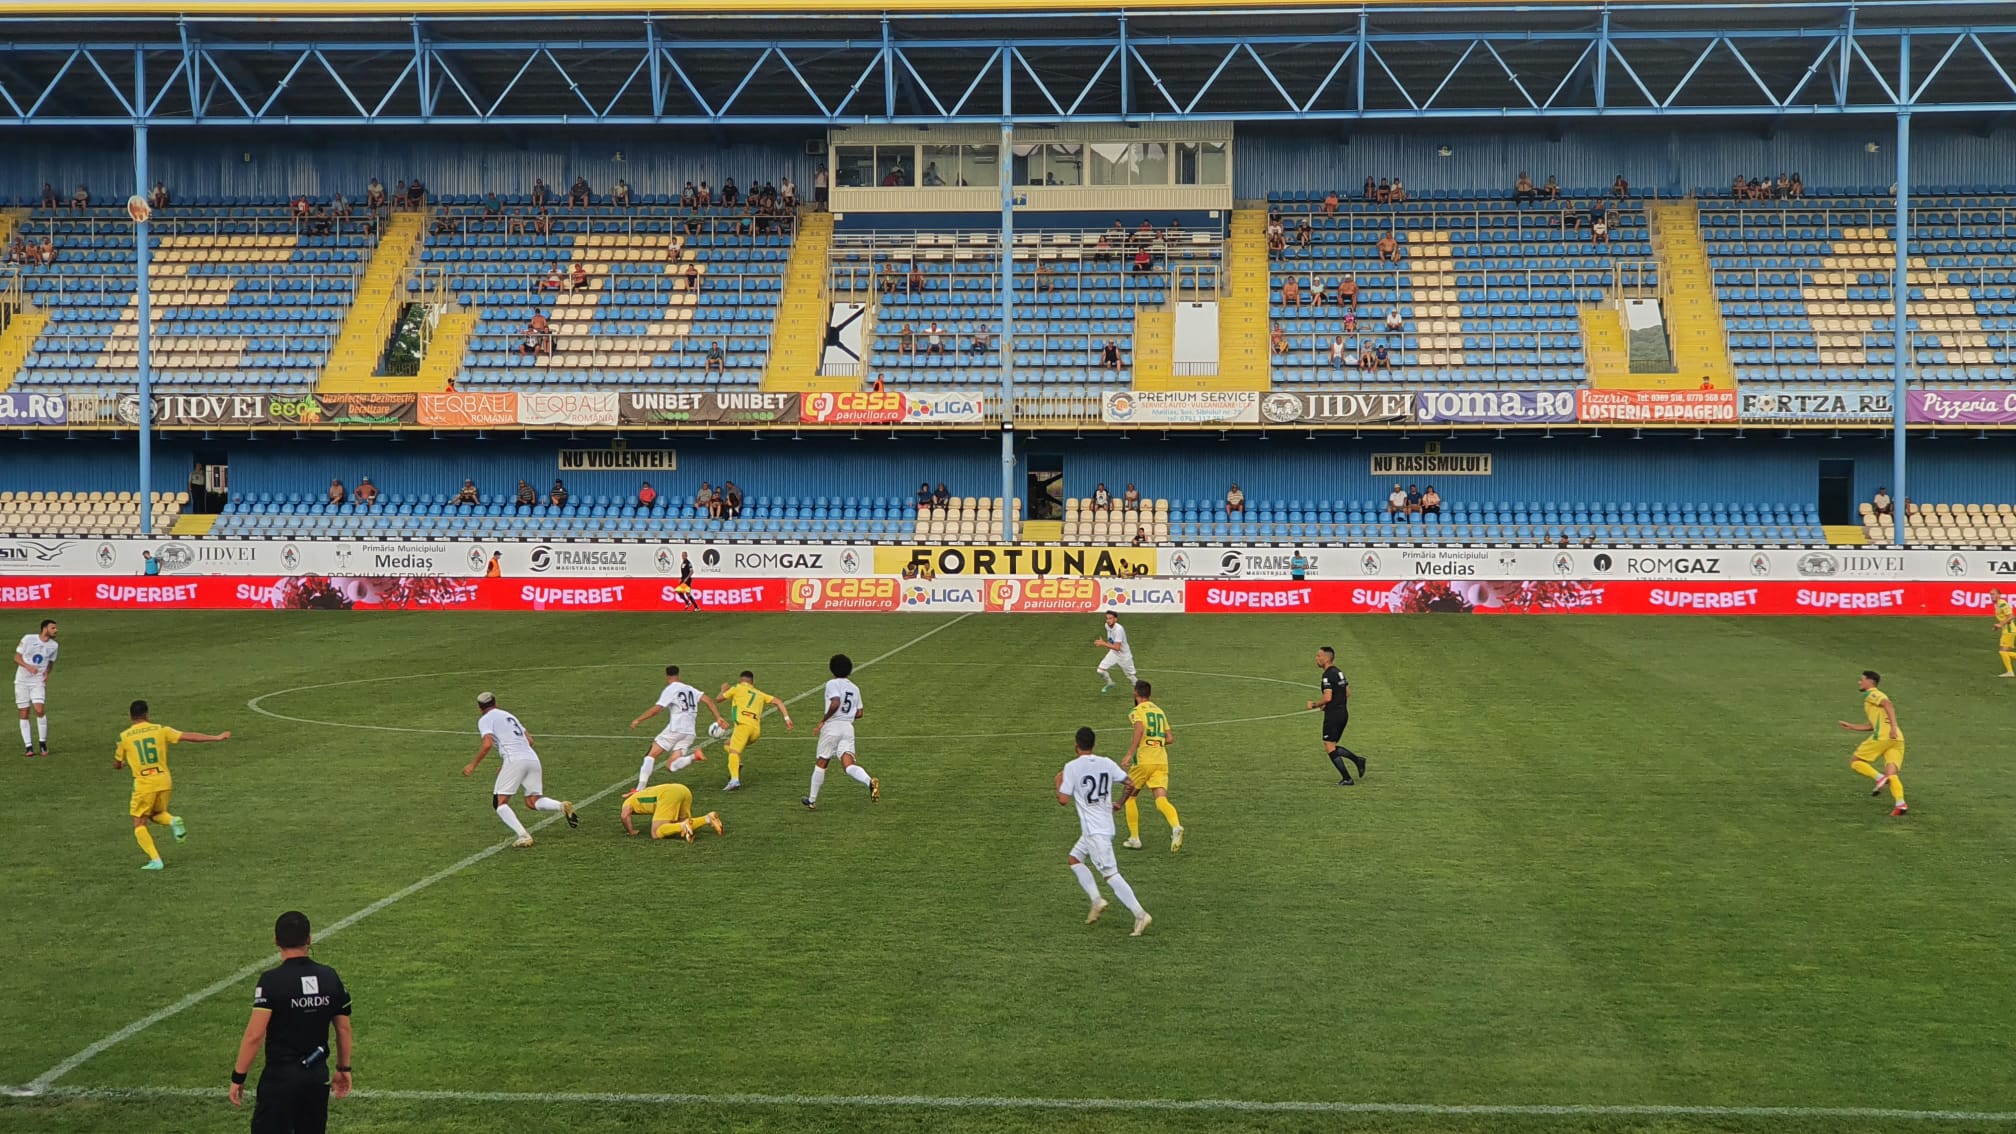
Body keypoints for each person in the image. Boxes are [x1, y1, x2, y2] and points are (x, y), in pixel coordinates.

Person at [230, 911, 354, 1130]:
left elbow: (254, 1035)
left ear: (276, 940)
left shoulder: (271, 981)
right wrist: (344, 1068)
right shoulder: (330, 976)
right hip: (316, 1076)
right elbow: (343, 1029)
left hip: (280, 1078)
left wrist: (238, 1076)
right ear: (309, 939)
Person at [1056, 727, 1152, 936]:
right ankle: (1096, 900)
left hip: (1095, 832)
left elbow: (1063, 800)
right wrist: (1119, 803)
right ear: (1093, 744)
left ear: (1076, 745)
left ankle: (1140, 914)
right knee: (1074, 859)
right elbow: (1130, 783)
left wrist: (1058, 783)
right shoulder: (1106, 763)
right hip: (1104, 826)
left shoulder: (1072, 767)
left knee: (1110, 875)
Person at [115, 699, 230, 869]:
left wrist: (122, 764)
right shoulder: (161, 730)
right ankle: (173, 820)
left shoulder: (124, 737)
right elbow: (189, 736)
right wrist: (216, 737)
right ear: (147, 714)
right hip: (164, 780)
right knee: (155, 814)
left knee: (139, 823)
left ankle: (156, 860)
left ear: (131, 716)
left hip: (144, 783)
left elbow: (117, 764)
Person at [463, 692, 577, 847]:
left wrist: (473, 765)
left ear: (480, 708)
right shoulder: (509, 715)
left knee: (499, 803)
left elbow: (487, 743)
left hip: (515, 760)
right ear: (495, 703)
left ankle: (524, 836)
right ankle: (560, 806)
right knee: (532, 801)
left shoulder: (485, 719)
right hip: (532, 758)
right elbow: (530, 740)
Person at [629, 665, 726, 792]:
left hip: (675, 730)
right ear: (678, 675)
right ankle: (694, 757)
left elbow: (657, 709)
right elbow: (708, 700)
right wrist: (718, 717)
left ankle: (639, 790)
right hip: (689, 733)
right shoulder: (689, 688)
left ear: (666, 676)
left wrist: (639, 719)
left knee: (650, 755)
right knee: (671, 766)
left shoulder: (671, 689)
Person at [804, 653, 879, 810]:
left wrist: (823, 720)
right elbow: (860, 713)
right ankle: (869, 781)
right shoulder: (855, 688)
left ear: (832, 669)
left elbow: (835, 703)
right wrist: (847, 715)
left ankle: (811, 800)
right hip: (848, 728)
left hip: (832, 727)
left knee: (822, 762)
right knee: (848, 765)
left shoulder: (832, 684)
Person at [1120, 680, 1182, 852]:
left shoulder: (1136, 711)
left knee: (1130, 797)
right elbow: (1170, 738)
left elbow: (1139, 730)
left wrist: (1129, 753)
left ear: (1135, 693)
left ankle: (1134, 838)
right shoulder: (1159, 711)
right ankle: (1176, 826)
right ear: (1149, 694)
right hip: (1161, 759)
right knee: (1161, 799)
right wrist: (1156, 741)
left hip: (1144, 760)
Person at [1838, 670, 1907, 817]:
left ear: (1870, 682)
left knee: (1855, 761)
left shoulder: (1873, 694)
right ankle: (1900, 804)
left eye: (1862, 679)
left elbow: (1888, 704)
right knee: (1892, 773)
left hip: (1883, 736)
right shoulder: (1875, 700)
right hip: (1897, 739)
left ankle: (1879, 778)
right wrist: (1852, 726)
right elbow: (1872, 725)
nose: (1859, 682)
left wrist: (1893, 727)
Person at [718, 670, 794, 792]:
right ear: (752, 682)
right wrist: (787, 718)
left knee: (733, 752)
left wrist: (723, 689)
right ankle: (738, 763)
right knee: (728, 744)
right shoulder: (759, 693)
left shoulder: (736, 688)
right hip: (755, 731)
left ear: (740, 680)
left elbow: (719, 699)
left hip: (743, 727)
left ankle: (734, 781)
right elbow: (778, 701)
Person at [1308, 646, 1368, 785]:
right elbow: (1347, 693)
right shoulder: (1339, 672)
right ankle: (1358, 760)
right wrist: (1334, 704)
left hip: (1333, 716)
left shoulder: (1327, 675)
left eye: (1318, 656)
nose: (1316, 659)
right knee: (1332, 746)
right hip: (1343, 714)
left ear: (1326, 658)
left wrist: (1315, 705)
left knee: (1329, 747)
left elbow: (1327, 697)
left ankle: (1347, 778)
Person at [620, 780, 723, 841]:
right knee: (680, 823)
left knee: (656, 833)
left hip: (668, 795)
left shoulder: (628, 803)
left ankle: (684, 825)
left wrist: (631, 831)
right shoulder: (640, 795)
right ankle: (708, 818)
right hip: (683, 790)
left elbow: (624, 815)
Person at [15, 619, 59, 757]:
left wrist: (47, 673)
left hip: (38, 681)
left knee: (39, 710)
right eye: (53, 628)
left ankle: (42, 742)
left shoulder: (54, 646)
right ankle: (28, 746)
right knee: (24, 713)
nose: (56, 630)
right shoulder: (28, 639)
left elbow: (50, 663)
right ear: (45, 629)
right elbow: (17, 658)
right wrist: (28, 667)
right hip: (22, 681)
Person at [1093, 610, 1138, 694]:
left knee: (1130, 676)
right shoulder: (1107, 625)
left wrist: (1103, 643)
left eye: (1110, 618)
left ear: (1115, 619)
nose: (1108, 620)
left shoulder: (1119, 629)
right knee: (1100, 670)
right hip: (1113, 653)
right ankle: (1110, 683)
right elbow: (1111, 641)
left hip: (1124, 656)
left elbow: (1117, 647)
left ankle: (1139, 692)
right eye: (1107, 618)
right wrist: (1106, 643)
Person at [1994, 589, 2015, 678]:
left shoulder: (2002, 604)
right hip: (2007, 630)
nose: (1991, 596)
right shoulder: (1997, 605)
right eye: (1990, 594)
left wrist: (2000, 624)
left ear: (1999, 595)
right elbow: (2004, 618)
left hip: (2009, 630)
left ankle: (2010, 672)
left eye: (1993, 594)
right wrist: (1998, 626)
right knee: (2003, 652)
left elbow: (2011, 616)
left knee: (2003, 652)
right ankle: (2010, 672)